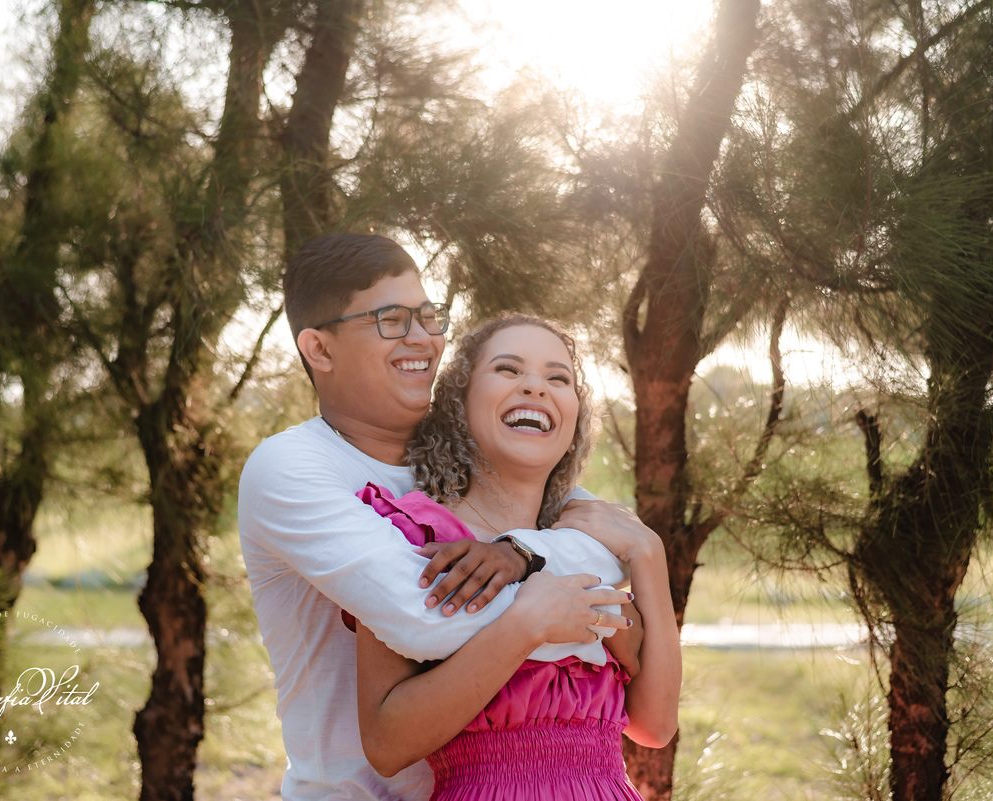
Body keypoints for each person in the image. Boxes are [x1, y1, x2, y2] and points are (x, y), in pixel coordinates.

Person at [239, 233, 650, 801]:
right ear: (320, 349)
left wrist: (522, 555)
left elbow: (600, 532)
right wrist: (552, 610)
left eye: (429, 317)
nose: (423, 339)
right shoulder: (291, 468)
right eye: (391, 319)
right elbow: (425, 617)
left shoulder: (464, 449)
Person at [354, 314, 683, 800]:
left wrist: (647, 553)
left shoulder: (583, 547)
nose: (536, 387)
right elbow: (385, 745)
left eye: (558, 378)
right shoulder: (415, 537)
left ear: (574, 420)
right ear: (458, 404)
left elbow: (654, 726)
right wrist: (525, 624)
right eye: (508, 370)